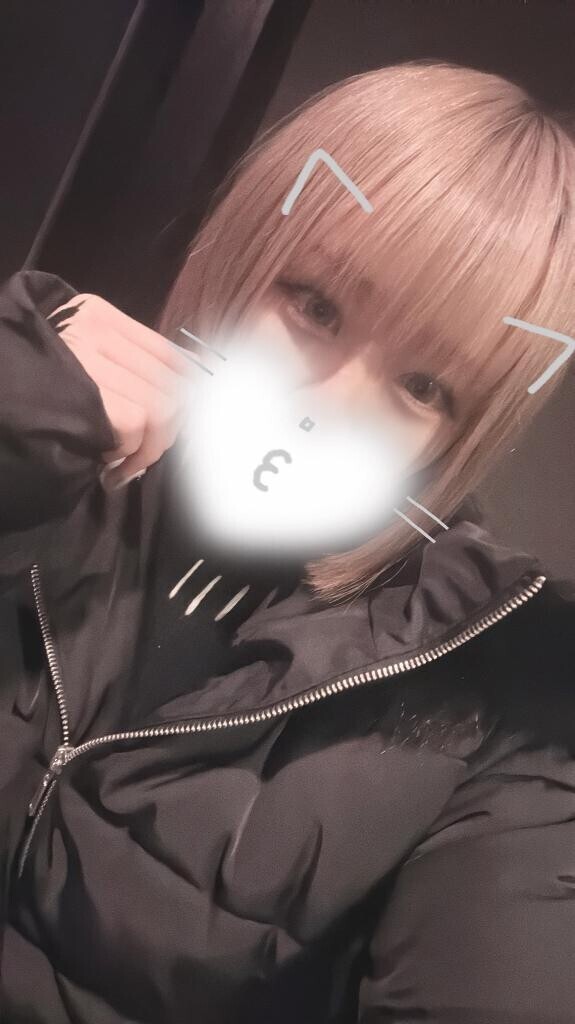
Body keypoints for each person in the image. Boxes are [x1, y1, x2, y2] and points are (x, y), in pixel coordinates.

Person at [1, 59, 575, 1024]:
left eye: (423, 386)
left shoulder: (501, 690)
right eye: (315, 305)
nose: (327, 407)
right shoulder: (42, 414)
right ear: (241, 250)